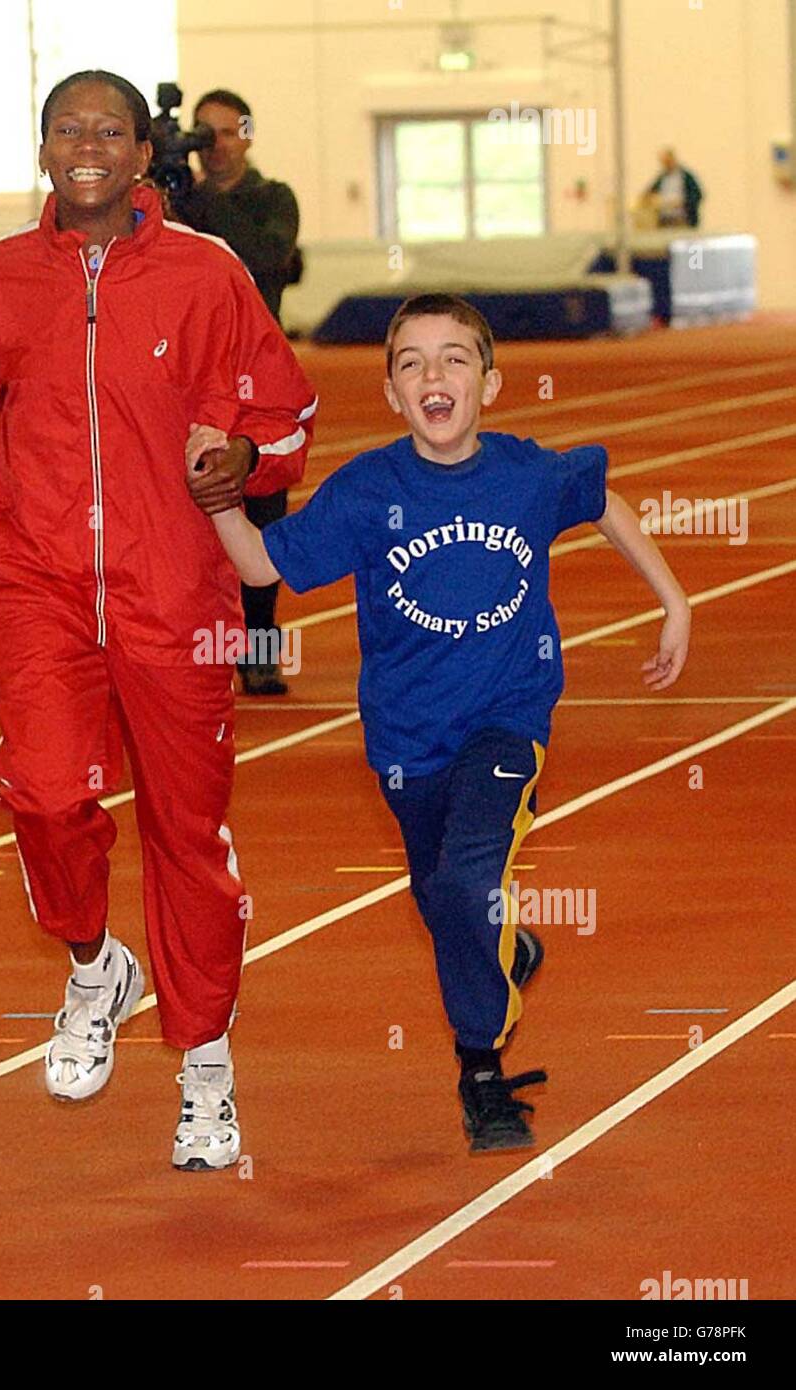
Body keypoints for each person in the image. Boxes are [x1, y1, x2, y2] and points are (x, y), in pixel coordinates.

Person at [0, 71, 317, 1171]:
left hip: (173, 590)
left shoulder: (207, 272)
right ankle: (95, 967)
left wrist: (247, 457)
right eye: (66, 127)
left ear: (142, 156)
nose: (87, 144)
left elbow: (286, 415)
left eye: (109, 130)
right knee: (40, 791)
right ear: (42, 148)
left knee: (187, 836)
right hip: (34, 584)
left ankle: (207, 1067)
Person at [201, 293, 691, 1154]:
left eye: (454, 359)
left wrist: (674, 601)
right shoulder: (367, 491)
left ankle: (481, 1070)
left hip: (508, 718)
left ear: (490, 384)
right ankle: (505, 953)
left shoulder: (524, 474)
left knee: (467, 882)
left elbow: (600, 498)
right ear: (392, 395)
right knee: (444, 900)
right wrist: (215, 497)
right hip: (405, 740)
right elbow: (262, 562)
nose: (434, 376)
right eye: (411, 363)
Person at [177, 90, 301, 696]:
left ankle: (262, 648)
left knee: (263, 513)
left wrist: (201, 202)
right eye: (204, 134)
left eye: (226, 133)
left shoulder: (272, 200)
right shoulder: (176, 203)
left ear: (248, 136)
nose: (215, 146)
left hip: (258, 375)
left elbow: (264, 257)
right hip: (188, 379)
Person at [645, 149, 704, 228]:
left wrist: (682, 202)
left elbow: (697, 195)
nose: (666, 164)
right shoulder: (662, 178)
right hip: (664, 220)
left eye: (668, 161)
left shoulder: (686, 177)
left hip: (682, 220)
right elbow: (649, 193)